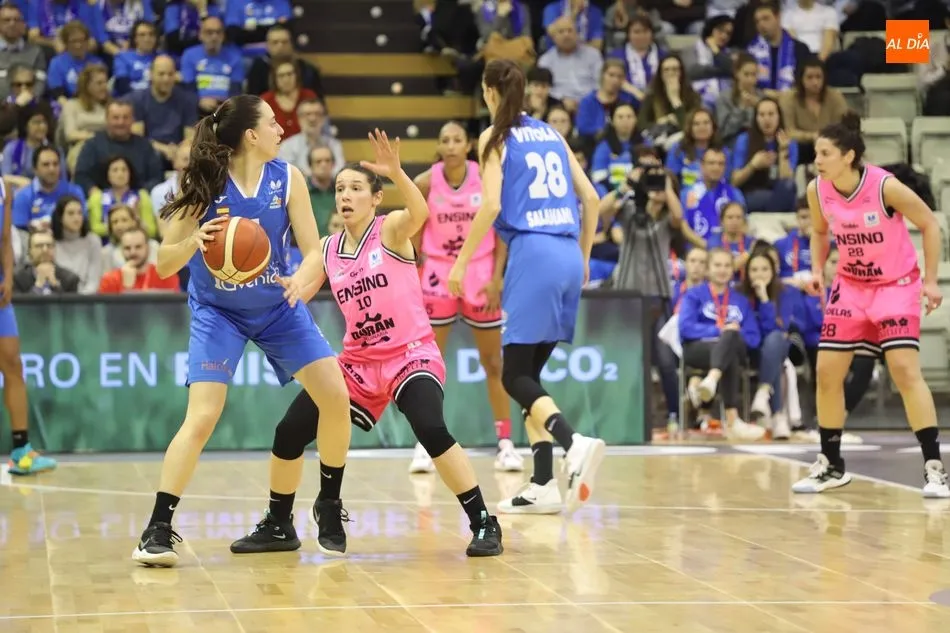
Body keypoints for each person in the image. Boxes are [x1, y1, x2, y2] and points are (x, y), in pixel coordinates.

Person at [230, 130, 503, 558]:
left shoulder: (391, 230)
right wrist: (282, 286)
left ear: (375, 198)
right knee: (288, 432)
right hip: (358, 362)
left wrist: (395, 172)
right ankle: (281, 523)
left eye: (356, 187)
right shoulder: (328, 248)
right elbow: (299, 286)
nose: (345, 194)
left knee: (430, 428)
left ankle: (484, 521)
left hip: (410, 354)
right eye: (340, 188)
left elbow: (420, 210)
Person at [132, 94, 353, 567]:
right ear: (251, 135)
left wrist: (303, 277)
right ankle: (157, 528)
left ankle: (328, 505)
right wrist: (194, 240)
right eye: (273, 124)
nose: (280, 130)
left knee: (335, 394)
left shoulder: (287, 177)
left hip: (277, 304)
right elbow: (164, 261)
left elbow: (315, 250)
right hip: (219, 311)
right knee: (203, 416)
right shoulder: (204, 183)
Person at [447, 59, 606, 515]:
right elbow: (591, 198)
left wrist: (461, 262)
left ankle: (573, 442)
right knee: (529, 378)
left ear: (491, 92)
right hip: (567, 255)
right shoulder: (551, 134)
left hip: (533, 254)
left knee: (513, 374)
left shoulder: (493, 137)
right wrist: (585, 256)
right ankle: (541, 484)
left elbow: (492, 205)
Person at [793, 113, 950, 497]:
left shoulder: (884, 186)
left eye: (825, 153)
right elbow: (818, 231)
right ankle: (831, 465)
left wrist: (930, 281)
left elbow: (930, 224)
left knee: (903, 369)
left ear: (848, 156)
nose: (818, 160)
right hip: (850, 287)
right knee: (828, 371)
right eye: (816, 153)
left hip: (895, 285)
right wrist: (816, 268)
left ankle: (934, 468)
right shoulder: (818, 190)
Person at [409, 121, 521, 475]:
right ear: (439, 146)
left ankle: (506, 443)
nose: (452, 145)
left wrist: (497, 277)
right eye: (445, 140)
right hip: (438, 274)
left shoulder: (483, 176)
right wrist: (414, 266)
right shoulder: (425, 182)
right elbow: (413, 226)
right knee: (428, 365)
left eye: (458, 139)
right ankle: (425, 445)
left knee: (493, 363)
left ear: (469, 144)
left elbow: (500, 230)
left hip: (480, 273)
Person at [2, 179, 56, 476]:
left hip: (1, 296)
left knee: (13, 363)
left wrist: (8, 277)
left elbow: (5, 240)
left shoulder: (4, 188)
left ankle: (21, 450)